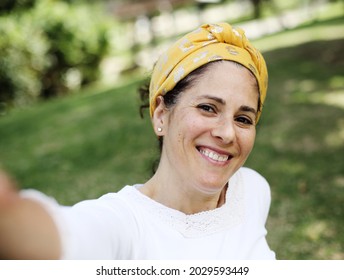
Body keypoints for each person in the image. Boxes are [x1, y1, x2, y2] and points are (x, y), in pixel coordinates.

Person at [0, 22, 275, 259]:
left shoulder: (252, 189)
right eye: (207, 108)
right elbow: (61, 240)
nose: (227, 133)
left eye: (243, 119)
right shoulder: (125, 226)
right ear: (160, 115)